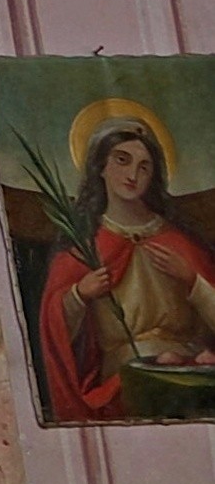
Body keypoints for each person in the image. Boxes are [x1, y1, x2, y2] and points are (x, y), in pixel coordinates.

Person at [39, 112, 215, 417]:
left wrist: (192, 281)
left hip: (190, 377)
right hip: (123, 386)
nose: (133, 174)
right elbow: (53, 332)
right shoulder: (83, 248)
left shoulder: (180, 243)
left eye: (144, 167)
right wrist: (80, 294)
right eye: (122, 160)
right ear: (100, 167)